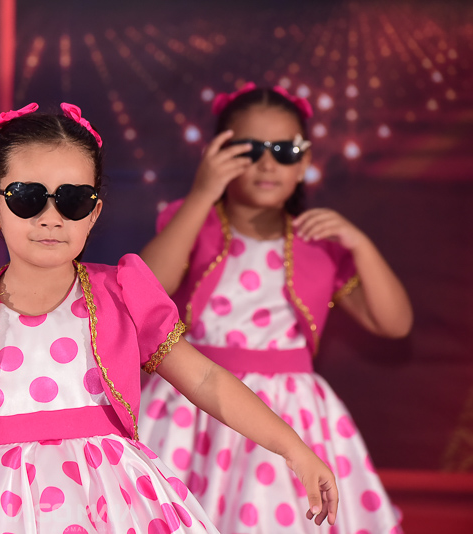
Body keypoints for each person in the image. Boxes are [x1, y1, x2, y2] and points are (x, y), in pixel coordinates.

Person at [0, 102, 338, 534]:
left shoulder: (122, 295)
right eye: (27, 197)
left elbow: (205, 380)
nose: (51, 218)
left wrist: (293, 448)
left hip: (112, 505)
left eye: (72, 200)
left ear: (93, 213)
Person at [138, 82, 411, 533]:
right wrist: (203, 193)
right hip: (196, 404)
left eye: (285, 151)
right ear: (217, 154)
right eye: (250, 150)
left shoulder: (318, 243)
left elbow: (394, 324)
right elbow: (145, 289)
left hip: (290, 412)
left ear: (304, 162)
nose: (268, 164)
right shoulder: (192, 223)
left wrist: (361, 245)